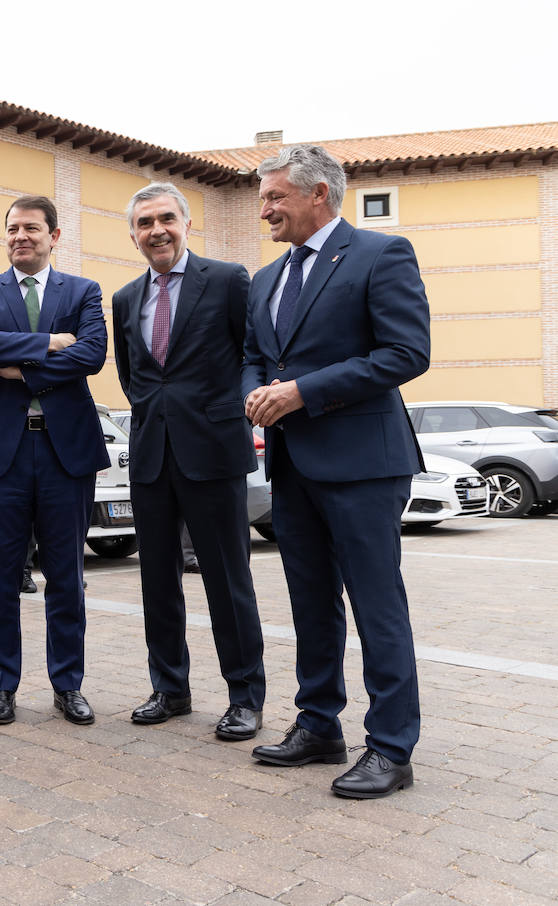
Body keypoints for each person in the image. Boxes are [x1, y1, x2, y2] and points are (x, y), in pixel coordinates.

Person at [242, 145, 430, 798]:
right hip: (292, 464)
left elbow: (406, 353)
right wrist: (255, 392)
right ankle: (319, 725)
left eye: (274, 197)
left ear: (318, 194)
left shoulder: (382, 255)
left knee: (377, 608)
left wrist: (302, 392)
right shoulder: (265, 280)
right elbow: (252, 355)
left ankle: (391, 748)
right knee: (310, 604)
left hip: (364, 466)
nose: (263, 208)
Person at [111, 182, 266, 742]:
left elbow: (250, 353)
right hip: (152, 455)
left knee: (227, 580)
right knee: (157, 579)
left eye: (166, 219)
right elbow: (134, 377)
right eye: (145, 222)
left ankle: (245, 696)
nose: (157, 230)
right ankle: (170, 689)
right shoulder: (126, 298)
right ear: (133, 233)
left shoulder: (226, 281)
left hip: (214, 452)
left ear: (186, 222)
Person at [0, 194, 108, 727]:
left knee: (67, 575)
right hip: (3, 451)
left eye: (32, 228)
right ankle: (2, 684)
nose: (21, 236)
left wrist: (21, 369)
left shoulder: (84, 291)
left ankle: (68, 684)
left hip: (66, 452)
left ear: (54, 236)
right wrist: (49, 342)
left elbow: (92, 354)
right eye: (13, 229)